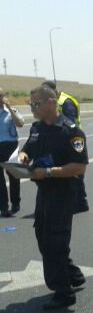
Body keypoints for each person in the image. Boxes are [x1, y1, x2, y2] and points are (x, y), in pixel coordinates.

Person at [17, 84, 87, 309]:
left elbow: (79, 167)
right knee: (42, 235)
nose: (33, 108)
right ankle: (72, 274)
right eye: (31, 104)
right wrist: (23, 155)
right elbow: (28, 147)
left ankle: (63, 292)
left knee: (55, 241)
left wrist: (47, 172)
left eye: (36, 104)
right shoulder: (37, 128)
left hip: (63, 192)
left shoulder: (71, 131)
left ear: (50, 103)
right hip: (44, 192)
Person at [42, 80, 88, 213]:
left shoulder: (65, 102)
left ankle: (80, 203)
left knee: (75, 172)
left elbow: (69, 124)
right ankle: (76, 202)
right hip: (64, 141)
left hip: (73, 140)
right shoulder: (54, 102)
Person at [0, 88, 24, 217]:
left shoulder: (11, 111)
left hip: (11, 147)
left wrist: (9, 108)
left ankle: (15, 203)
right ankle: (3, 206)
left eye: (0, 95)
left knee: (14, 177)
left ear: (4, 96)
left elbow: (20, 124)